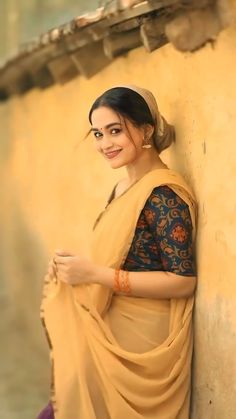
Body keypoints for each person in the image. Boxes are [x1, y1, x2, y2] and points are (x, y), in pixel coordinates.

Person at [38, 85, 197, 419]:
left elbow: (183, 281)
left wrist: (94, 274)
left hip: (140, 346)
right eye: (98, 133)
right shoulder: (124, 187)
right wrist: (73, 269)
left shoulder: (163, 194)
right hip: (108, 326)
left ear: (146, 130)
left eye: (115, 131)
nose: (105, 144)